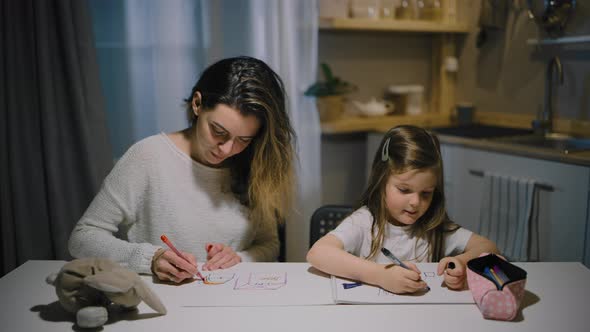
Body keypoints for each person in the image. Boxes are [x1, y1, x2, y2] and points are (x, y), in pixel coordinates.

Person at [69, 56, 296, 283]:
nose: (227, 149)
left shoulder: (256, 164)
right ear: (197, 104)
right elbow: (83, 238)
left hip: (231, 300)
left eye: (243, 139)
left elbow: (269, 244)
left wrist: (239, 258)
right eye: (218, 131)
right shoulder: (148, 156)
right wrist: (151, 258)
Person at [307, 125, 498, 294]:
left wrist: (462, 264)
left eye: (426, 193)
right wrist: (382, 276)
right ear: (381, 182)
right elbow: (318, 253)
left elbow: (489, 248)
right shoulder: (365, 221)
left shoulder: (433, 226)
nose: (415, 202)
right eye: (404, 190)